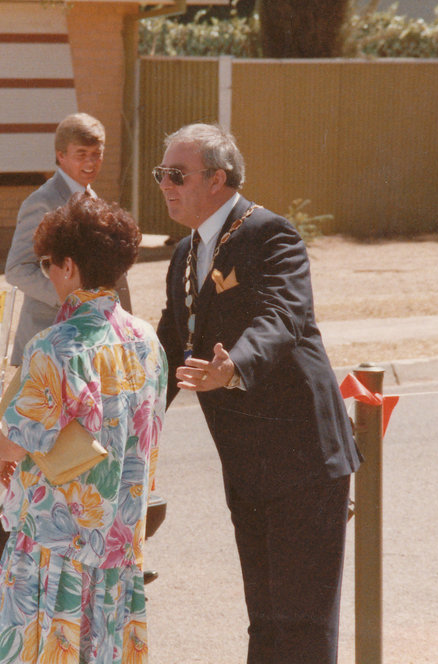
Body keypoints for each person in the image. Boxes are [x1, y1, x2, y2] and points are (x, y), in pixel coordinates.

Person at [154, 124, 361, 663]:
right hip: (246, 463)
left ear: (217, 179)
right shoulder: (183, 254)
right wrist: (126, 413)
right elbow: (168, 347)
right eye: (161, 175)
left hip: (305, 459)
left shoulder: (271, 233)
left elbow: (283, 316)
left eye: (176, 175)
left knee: (303, 624)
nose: (165, 185)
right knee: (265, 619)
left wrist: (235, 366)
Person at [0, 195, 167, 663]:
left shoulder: (55, 345)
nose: (46, 274)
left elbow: (16, 441)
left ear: (68, 265)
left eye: (47, 264)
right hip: (118, 543)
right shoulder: (146, 339)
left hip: (55, 545)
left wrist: (0, 454)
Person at [5, 112, 132, 366]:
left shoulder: (94, 200)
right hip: (47, 338)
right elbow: (17, 269)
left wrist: (125, 325)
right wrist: (73, 300)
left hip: (91, 339)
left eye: (96, 154)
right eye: (81, 154)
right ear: (61, 156)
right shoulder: (42, 202)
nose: (90, 162)